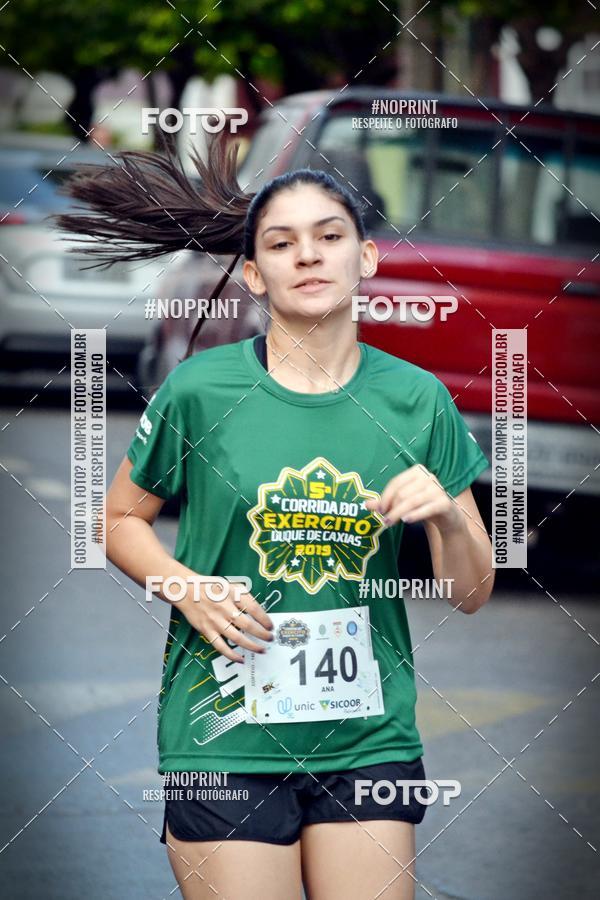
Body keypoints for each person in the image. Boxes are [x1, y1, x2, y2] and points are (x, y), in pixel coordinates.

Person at [54, 132, 494, 900]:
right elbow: (118, 518)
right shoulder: (201, 390)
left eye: (330, 237)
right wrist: (187, 587)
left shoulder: (417, 399)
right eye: (283, 244)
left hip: (367, 738)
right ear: (255, 274)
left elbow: (472, 591)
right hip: (223, 733)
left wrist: (447, 522)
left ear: (367, 258)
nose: (309, 256)